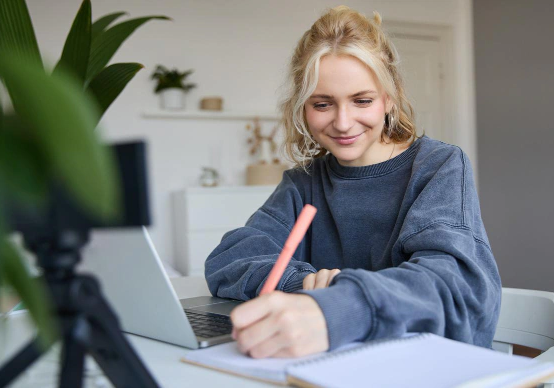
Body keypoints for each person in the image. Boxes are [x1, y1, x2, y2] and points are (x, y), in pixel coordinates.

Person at [204, 5, 501, 359]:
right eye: (323, 104)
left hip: (421, 363)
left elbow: (451, 283)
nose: (343, 123)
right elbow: (230, 258)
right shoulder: (304, 183)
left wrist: (337, 303)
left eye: (362, 100)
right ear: (302, 108)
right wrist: (300, 282)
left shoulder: (438, 166)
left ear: (389, 99)